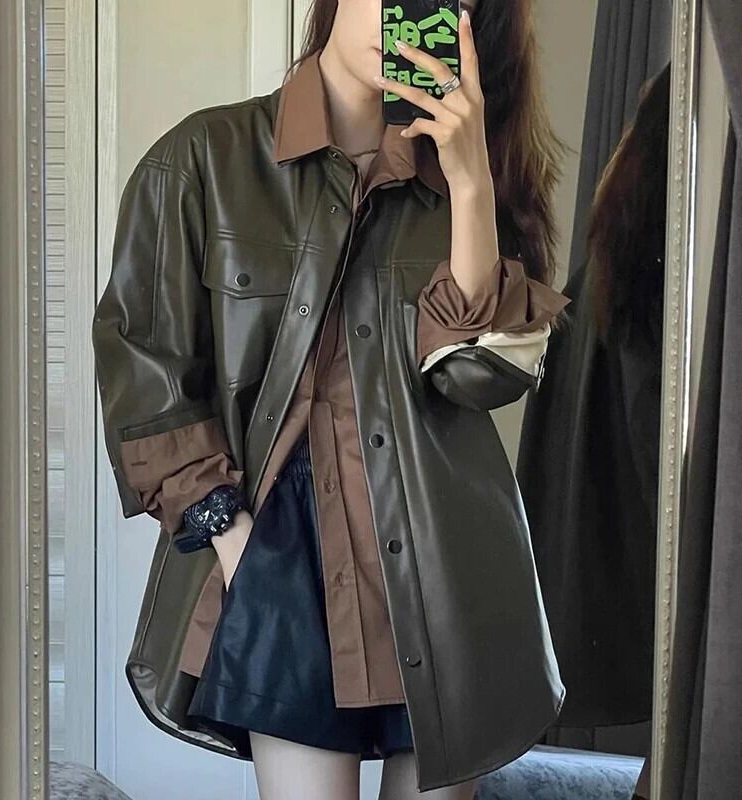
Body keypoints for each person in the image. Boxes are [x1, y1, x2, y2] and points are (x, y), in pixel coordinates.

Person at [92, 1, 571, 797]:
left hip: (446, 564)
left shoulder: (468, 181)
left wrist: (470, 184)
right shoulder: (202, 159)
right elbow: (144, 370)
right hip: (282, 553)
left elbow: (479, 378)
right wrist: (234, 539)